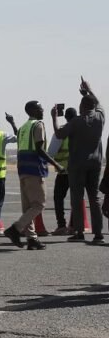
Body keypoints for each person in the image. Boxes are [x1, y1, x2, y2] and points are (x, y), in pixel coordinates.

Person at [4, 102, 64, 250]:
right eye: (39, 108)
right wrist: (56, 164)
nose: (42, 110)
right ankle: (15, 229)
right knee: (39, 204)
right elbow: (39, 149)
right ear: (31, 110)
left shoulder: (24, 127)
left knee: (28, 207)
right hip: (34, 170)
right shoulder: (38, 125)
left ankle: (31, 239)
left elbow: (19, 137)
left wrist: (12, 123)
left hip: (22, 169)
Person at [53, 78, 104, 245]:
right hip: (95, 163)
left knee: (77, 197)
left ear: (82, 107)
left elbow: (59, 134)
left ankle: (79, 232)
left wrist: (54, 118)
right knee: (94, 198)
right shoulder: (100, 118)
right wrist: (89, 90)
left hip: (77, 165)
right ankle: (98, 234)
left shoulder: (76, 121)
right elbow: (97, 103)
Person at [48, 107, 77, 235]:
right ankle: (75, 226)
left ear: (65, 117)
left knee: (58, 198)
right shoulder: (82, 130)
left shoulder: (61, 132)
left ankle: (62, 226)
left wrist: (54, 118)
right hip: (79, 171)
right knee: (77, 199)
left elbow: (51, 153)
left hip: (64, 172)